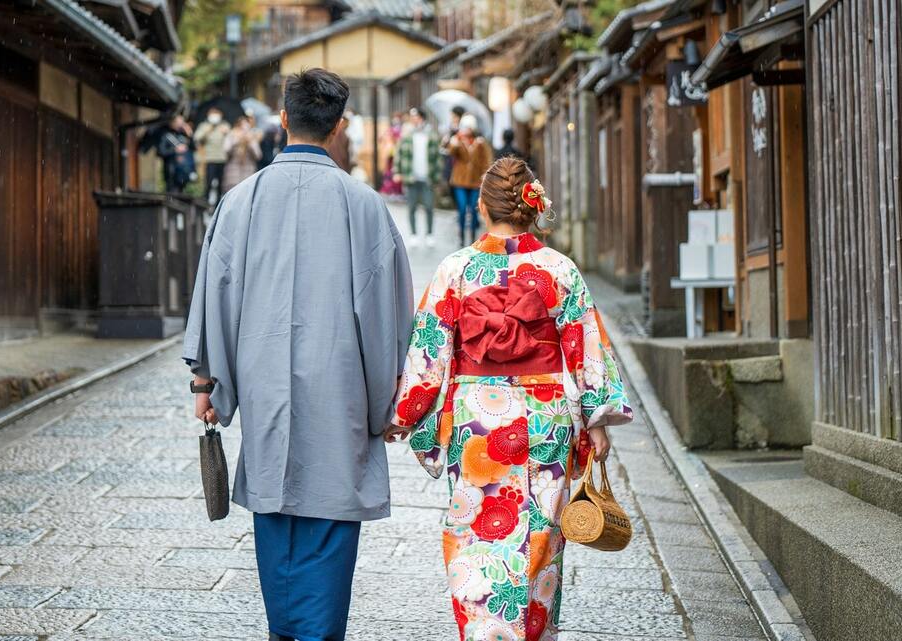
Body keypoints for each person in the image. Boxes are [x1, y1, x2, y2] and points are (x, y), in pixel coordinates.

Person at [183, 68, 414, 641]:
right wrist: (390, 403)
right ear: (338, 126)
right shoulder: (364, 207)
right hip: (340, 393)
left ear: (283, 119)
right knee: (329, 518)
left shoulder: (241, 201)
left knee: (276, 515)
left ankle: (287, 632)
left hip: (263, 388)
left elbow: (216, 296)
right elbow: (387, 318)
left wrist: (207, 384)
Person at [386, 156, 634, 641]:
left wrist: (404, 414)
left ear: (481, 207)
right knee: (541, 538)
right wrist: (596, 420)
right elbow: (585, 345)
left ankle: (485, 633)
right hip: (545, 418)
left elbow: (429, 351)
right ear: (532, 207)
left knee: (475, 531)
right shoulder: (558, 269)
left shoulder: (456, 269)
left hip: (477, 422)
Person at [395, 107, 441, 247]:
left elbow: (437, 158)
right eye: (412, 117)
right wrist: (397, 171)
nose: (414, 120)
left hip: (427, 177)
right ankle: (413, 234)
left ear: (422, 118)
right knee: (412, 207)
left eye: (416, 117)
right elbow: (399, 154)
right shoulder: (407, 136)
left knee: (428, 207)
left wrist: (437, 176)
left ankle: (429, 234)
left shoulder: (431, 135)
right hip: (411, 177)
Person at [445, 114, 493, 246]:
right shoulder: (457, 141)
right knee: (461, 208)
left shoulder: (480, 143)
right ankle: (461, 236)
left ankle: (472, 237)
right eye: (464, 127)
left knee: (473, 209)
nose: (466, 130)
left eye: (468, 127)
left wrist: (486, 178)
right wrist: (454, 140)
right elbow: (450, 152)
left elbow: (486, 161)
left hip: (475, 182)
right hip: (459, 181)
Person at [195, 107, 230, 203]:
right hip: (209, 158)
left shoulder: (224, 125)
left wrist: (226, 133)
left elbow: (231, 140)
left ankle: (218, 203)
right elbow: (197, 138)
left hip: (221, 159)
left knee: (220, 184)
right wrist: (208, 130)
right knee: (208, 183)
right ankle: (206, 202)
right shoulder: (204, 125)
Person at [157, 114, 196, 194]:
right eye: (179, 122)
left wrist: (190, 134)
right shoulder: (165, 135)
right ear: (173, 122)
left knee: (182, 194)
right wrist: (175, 150)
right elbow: (161, 152)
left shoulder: (184, 135)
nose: (181, 124)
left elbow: (193, 148)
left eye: (182, 122)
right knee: (172, 193)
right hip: (171, 171)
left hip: (184, 171)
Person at [222, 115, 262, 194]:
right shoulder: (231, 135)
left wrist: (250, 142)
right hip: (232, 175)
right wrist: (236, 140)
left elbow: (258, 155)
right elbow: (226, 151)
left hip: (248, 174)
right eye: (240, 126)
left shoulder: (252, 137)